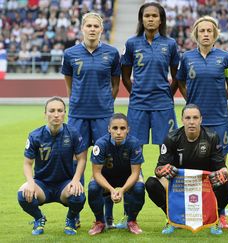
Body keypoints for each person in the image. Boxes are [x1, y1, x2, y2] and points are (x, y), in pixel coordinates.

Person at [62, 12, 121, 229]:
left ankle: (108, 215)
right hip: (77, 115)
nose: (93, 29)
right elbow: (69, 84)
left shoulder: (112, 53)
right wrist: (76, 101)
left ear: (102, 30)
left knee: (105, 165)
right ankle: (75, 212)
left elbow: (115, 84)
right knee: (76, 164)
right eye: (89, 26)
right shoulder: (70, 54)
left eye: (96, 26)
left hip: (103, 115)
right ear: (82, 28)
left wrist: (105, 103)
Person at [176, 16, 228, 228]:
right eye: (202, 31)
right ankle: (192, 209)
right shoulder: (186, 58)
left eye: (210, 30)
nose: (206, 34)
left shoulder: (226, 58)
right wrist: (190, 101)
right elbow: (180, 81)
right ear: (196, 34)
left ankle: (220, 213)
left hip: (219, 119)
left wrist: (220, 100)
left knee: (219, 169)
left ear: (215, 33)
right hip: (195, 121)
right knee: (193, 166)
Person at [145, 104, 228, 235]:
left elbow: (221, 166)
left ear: (201, 119)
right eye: (188, 118)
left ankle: (214, 219)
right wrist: (163, 170)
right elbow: (158, 169)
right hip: (179, 186)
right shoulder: (171, 138)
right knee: (151, 183)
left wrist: (224, 172)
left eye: (195, 118)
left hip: (204, 186)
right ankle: (172, 219)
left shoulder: (212, 137)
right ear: (182, 120)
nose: (191, 122)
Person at [17, 97, 86, 235]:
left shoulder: (72, 133)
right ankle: (39, 218)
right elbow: (27, 163)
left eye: (60, 111)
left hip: (64, 184)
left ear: (64, 113)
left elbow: (82, 159)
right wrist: (30, 183)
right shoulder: (35, 135)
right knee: (23, 194)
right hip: (42, 184)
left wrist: (76, 180)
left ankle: (71, 219)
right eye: (52, 111)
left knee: (79, 194)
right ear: (45, 114)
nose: (56, 114)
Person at [121, 2, 180, 148]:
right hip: (138, 103)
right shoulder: (131, 43)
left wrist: (167, 94)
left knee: (167, 145)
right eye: (147, 16)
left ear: (161, 20)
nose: (151, 19)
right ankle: (137, 172)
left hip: (163, 103)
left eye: (154, 16)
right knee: (134, 145)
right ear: (141, 19)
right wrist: (135, 92)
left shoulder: (170, 43)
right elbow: (125, 76)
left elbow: (176, 76)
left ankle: (162, 171)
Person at [87, 113, 145, 235]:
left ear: (128, 129)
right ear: (109, 129)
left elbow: (135, 173)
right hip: (106, 177)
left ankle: (132, 221)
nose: (118, 132)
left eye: (122, 128)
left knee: (139, 188)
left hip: (128, 177)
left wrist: (122, 190)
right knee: (92, 187)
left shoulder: (134, 144)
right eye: (115, 128)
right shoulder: (100, 144)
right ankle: (99, 222)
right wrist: (111, 189)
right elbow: (96, 173)